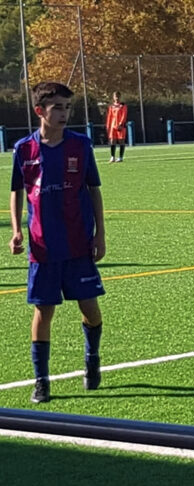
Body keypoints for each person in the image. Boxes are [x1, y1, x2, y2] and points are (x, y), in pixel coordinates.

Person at [9, 82, 107, 403]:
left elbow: (93, 189)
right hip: (43, 248)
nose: (64, 114)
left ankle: (92, 360)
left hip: (78, 244)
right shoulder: (24, 150)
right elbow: (16, 191)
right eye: (57, 108)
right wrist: (17, 230)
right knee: (43, 312)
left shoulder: (81, 146)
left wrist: (100, 234)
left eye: (67, 108)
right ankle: (42, 381)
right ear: (40, 111)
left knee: (90, 310)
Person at [105, 91, 128, 162]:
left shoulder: (123, 106)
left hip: (120, 126)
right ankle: (112, 157)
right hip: (113, 126)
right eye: (115, 96)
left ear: (120, 97)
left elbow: (124, 115)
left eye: (118, 96)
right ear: (113, 97)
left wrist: (121, 124)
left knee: (121, 141)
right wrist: (108, 125)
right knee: (112, 141)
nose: (117, 98)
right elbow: (109, 117)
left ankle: (121, 157)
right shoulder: (111, 106)